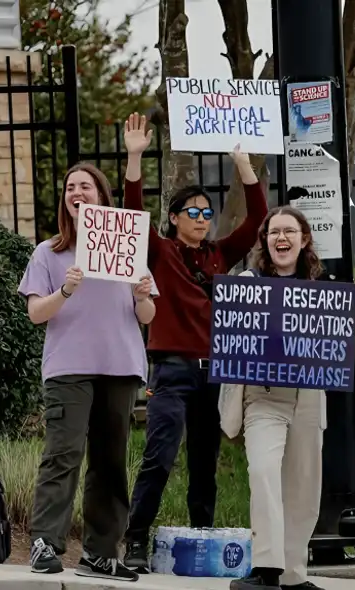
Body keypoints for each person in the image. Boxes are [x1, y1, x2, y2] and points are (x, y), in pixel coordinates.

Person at [119, 112, 269, 571]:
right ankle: (137, 538)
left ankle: (202, 538)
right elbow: (130, 215)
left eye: (207, 213)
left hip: (215, 371)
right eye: (194, 213)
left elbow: (259, 218)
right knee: (160, 455)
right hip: (172, 368)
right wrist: (135, 156)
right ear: (175, 218)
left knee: (204, 463)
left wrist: (243, 164)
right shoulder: (160, 252)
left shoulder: (221, 254)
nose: (203, 219)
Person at [18, 162, 158, 581]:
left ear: (101, 196)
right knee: (63, 455)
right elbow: (35, 314)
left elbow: (147, 313)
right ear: (66, 201)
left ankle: (100, 552)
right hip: (68, 368)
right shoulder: (49, 253)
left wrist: (141, 294)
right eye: (70, 188)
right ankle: (46, 542)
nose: (77, 192)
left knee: (111, 461)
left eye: (86, 186)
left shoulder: (127, 248)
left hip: (120, 366)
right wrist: (65, 290)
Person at [220, 206, 331, 590]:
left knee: (303, 487)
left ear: (304, 240)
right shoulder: (248, 281)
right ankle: (266, 569)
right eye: (274, 232)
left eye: (290, 231)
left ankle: (294, 575)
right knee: (263, 473)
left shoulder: (322, 290)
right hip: (264, 397)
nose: (281, 238)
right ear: (265, 241)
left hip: (308, 397)